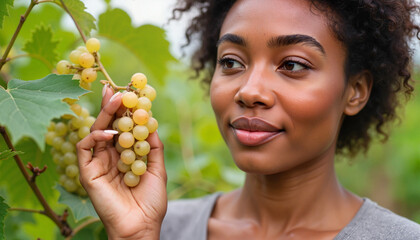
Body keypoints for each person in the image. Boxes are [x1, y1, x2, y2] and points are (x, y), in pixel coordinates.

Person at [76, 0, 420, 239]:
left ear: (355, 91)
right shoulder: (162, 228)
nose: (249, 90)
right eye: (231, 63)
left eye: (293, 65)